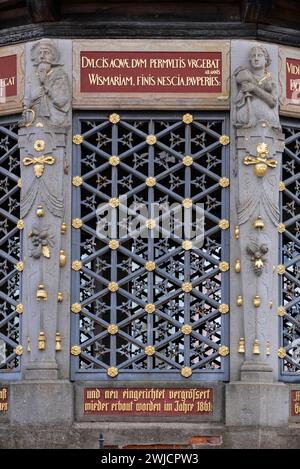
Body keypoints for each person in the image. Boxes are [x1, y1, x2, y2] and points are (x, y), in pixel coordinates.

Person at [20, 39, 70, 127]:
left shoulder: (59, 74)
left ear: (53, 57)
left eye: (46, 53)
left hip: (55, 119)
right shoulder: (32, 76)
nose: (42, 56)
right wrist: (32, 100)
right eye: (40, 53)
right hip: (33, 119)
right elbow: (27, 100)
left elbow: (61, 101)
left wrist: (45, 82)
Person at [234, 45, 281, 130]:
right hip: (247, 117)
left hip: (267, 117)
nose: (256, 58)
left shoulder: (271, 81)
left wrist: (254, 89)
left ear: (266, 59)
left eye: (259, 55)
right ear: (250, 60)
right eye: (253, 56)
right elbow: (238, 101)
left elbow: (273, 102)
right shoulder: (246, 76)